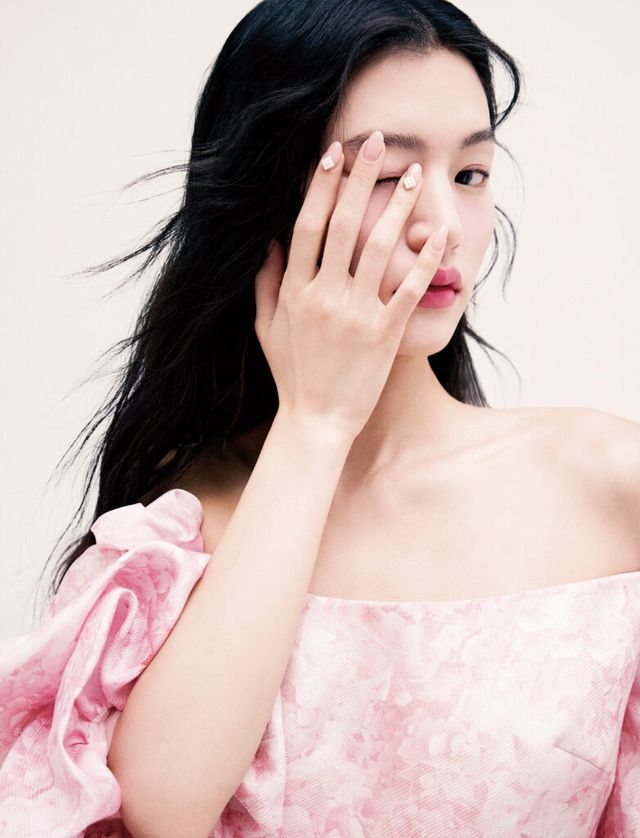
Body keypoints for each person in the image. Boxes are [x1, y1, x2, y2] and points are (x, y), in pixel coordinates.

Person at [1, 0, 639, 835]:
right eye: (389, 176)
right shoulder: (183, 525)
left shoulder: (606, 484)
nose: (443, 229)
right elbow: (160, 814)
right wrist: (315, 423)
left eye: (470, 175)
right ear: (274, 198)